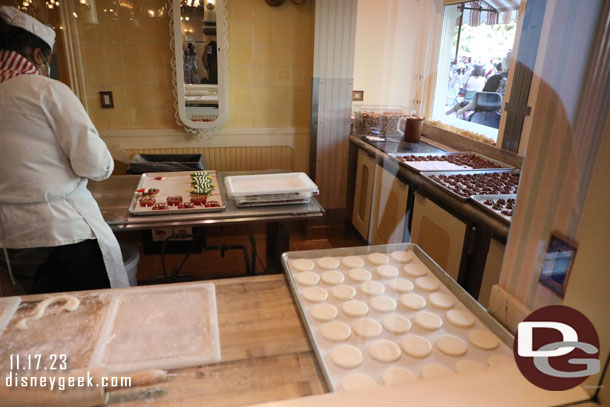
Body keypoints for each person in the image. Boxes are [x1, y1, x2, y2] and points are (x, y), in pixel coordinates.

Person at [0, 6, 129, 293]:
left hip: (10, 239)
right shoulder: (46, 91)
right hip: (64, 232)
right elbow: (94, 164)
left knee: (34, 317)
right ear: (37, 55)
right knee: (88, 315)